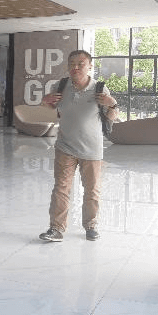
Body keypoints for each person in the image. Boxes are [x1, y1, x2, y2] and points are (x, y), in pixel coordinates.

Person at [38, 49, 118, 243]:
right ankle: (56, 228)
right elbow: (50, 110)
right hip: (65, 146)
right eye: (71, 64)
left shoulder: (99, 88)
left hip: (92, 150)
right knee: (61, 188)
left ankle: (91, 226)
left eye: (80, 64)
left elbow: (111, 117)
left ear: (89, 66)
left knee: (92, 190)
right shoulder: (61, 85)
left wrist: (112, 104)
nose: (75, 67)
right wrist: (44, 102)